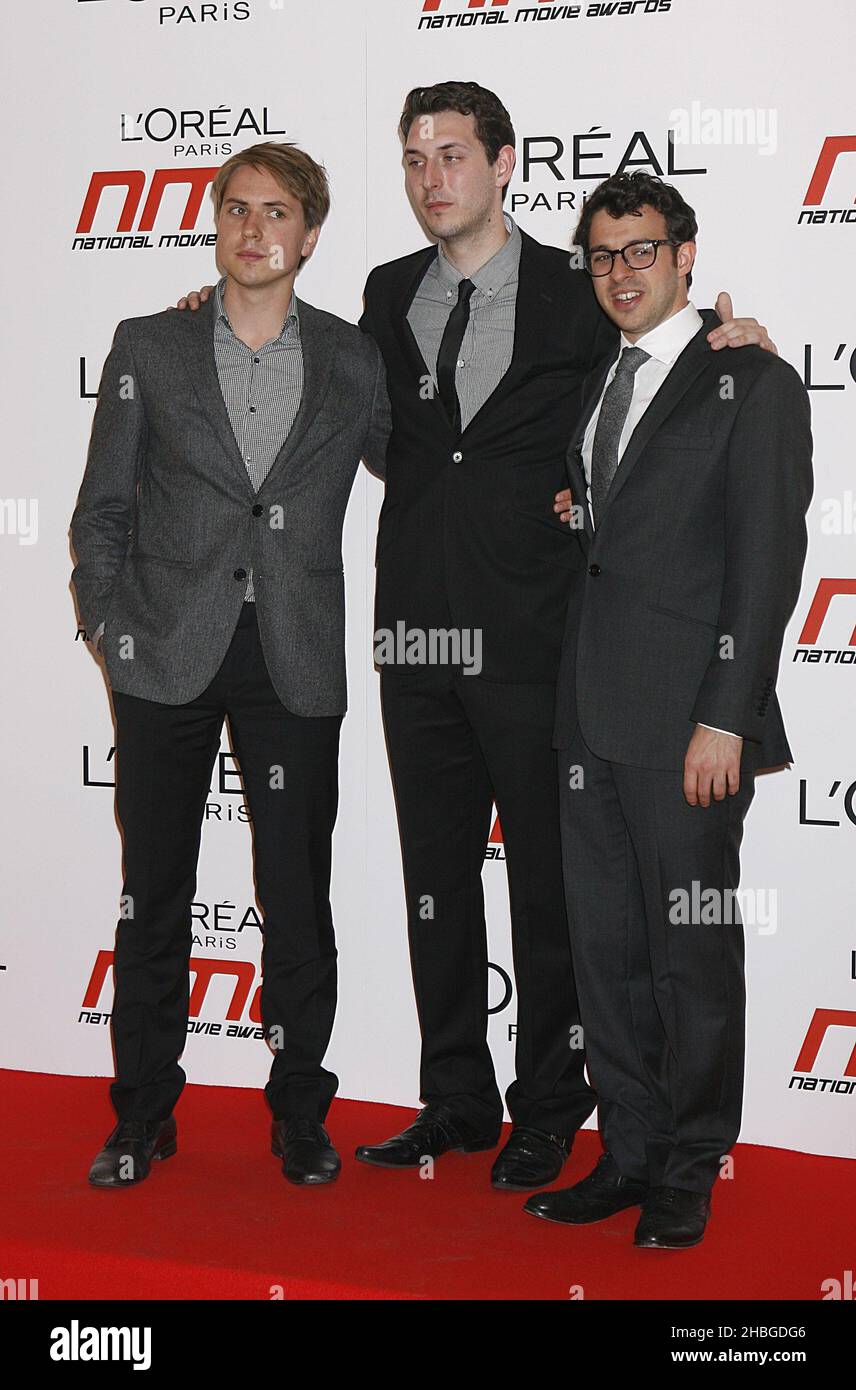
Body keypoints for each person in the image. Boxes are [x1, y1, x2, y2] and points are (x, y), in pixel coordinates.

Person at [177, 82, 776, 1194]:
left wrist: (735, 338)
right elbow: (339, 409)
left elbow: (660, 373)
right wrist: (214, 330)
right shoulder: (381, 289)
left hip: (544, 641)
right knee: (435, 878)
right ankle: (455, 1096)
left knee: (551, 892)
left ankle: (551, 1106)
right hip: (412, 635)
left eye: (452, 153)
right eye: (413, 158)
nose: (430, 176)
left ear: (504, 165)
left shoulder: (578, 284)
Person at [70, 141, 390, 1189]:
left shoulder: (354, 359)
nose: (256, 231)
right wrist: (112, 631)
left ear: (309, 234)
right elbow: (102, 509)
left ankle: (301, 1116)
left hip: (292, 658)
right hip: (164, 651)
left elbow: (453, 460)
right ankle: (141, 1118)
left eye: (280, 213)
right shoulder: (148, 344)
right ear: (215, 221)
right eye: (238, 210)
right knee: (153, 892)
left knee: (296, 895)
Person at [524, 171, 812, 1247]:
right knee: (606, 954)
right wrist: (577, 507)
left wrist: (726, 718)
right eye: (602, 255)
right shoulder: (607, 380)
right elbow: (624, 531)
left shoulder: (752, 379)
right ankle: (630, 1150)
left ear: (685, 255)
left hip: (688, 724)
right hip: (587, 715)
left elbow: (764, 562)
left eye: (640, 250)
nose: (620, 272)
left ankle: (691, 1165)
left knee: (689, 955)